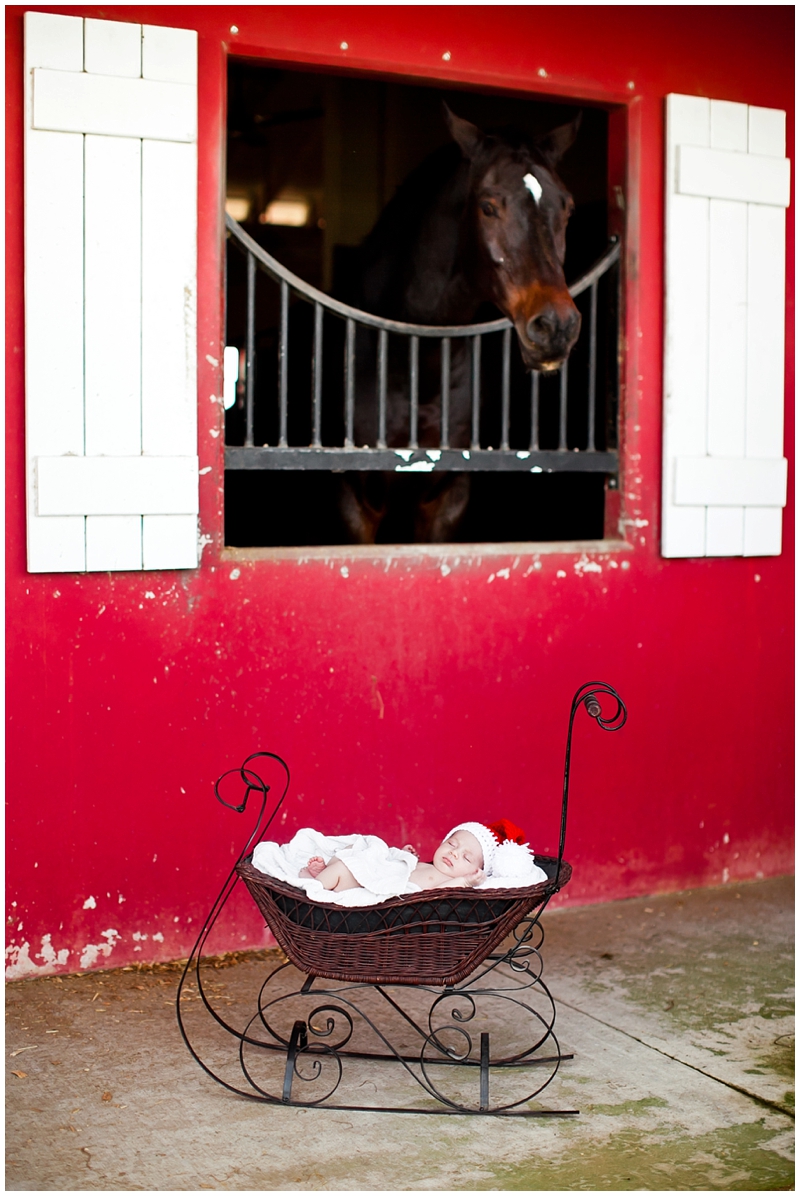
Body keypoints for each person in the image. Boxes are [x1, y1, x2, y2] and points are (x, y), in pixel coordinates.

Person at [298, 818, 532, 893]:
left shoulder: (449, 881)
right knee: (360, 849)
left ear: (475, 870)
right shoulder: (433, 866)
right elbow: (401, 866)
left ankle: (316, 887)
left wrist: (467, 881)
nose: (454, 853)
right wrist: (405, 856)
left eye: (466, 858)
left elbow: (446, 892)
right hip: (385, 869)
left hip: (377, 884)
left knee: (345, 870)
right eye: (452, 843)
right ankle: (325, 870)